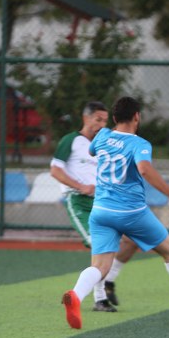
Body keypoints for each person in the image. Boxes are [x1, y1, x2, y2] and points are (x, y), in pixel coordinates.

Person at [61, 96, 169, 329]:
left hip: (101, 211)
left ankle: (76, 295)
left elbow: (93, 151)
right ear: (137, 116)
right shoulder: (140, 144)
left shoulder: (103, 135)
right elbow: (144, 169)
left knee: (100, 267)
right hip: (131, 212)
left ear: (114, 117)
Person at [50, 101, 138, 313]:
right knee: (101, 245)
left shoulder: (105, 144)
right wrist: (81, 186)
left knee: (132, 239)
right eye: (98, 119)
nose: (101, 124)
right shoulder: (71, 140)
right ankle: (99, 299)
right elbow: (55, 170)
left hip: (104, 203)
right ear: (85, 118)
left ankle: (109, 281)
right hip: (79, 201)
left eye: (105, 120)